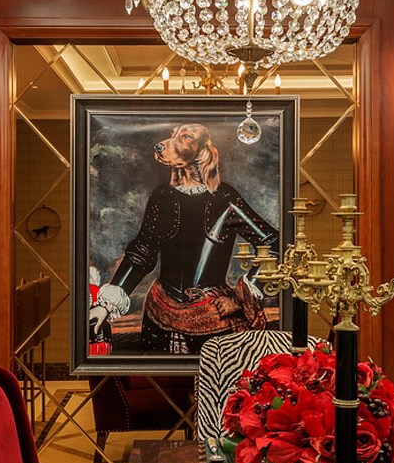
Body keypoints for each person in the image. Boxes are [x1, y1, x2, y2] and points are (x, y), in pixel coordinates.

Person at [88, 122, 278, 354]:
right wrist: (105, 306)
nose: (166, 144)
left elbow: (273, 243)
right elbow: (142, 253)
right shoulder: (161, 196)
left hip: (213, 319)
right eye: (174, 135)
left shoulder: (225, 197)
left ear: (203, 151)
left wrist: (240, 299)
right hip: (159, 314)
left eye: (186, 137)